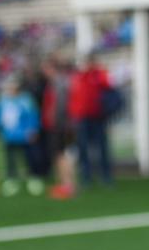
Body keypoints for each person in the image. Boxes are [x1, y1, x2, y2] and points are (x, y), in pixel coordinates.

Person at [0, 77, 43, 197]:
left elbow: (33, 115)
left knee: (30, 158)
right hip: (9, 136)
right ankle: (11, 180)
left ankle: (33, 179)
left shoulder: (26, 100)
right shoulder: (3, 101)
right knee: (10, 160)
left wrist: (33, 129)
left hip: (25, 135)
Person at [68, 52, 113, 186]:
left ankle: (106, 176)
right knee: (83, 148)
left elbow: (108, 88)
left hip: (98, 117)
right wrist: (74, 115)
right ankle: (86, 177)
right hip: (82, 118)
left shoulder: (100, 75)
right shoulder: (78, 77)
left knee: (102, 148)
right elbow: (74, 98)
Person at [42, 56, 77, 199]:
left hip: (60, 126)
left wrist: (57, 122)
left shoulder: (59, 83)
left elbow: (61, 105)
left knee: (61, 155)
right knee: (60, 155)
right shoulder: (58, 82)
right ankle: (65, 184)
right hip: (60, 125)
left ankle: (68, 185)